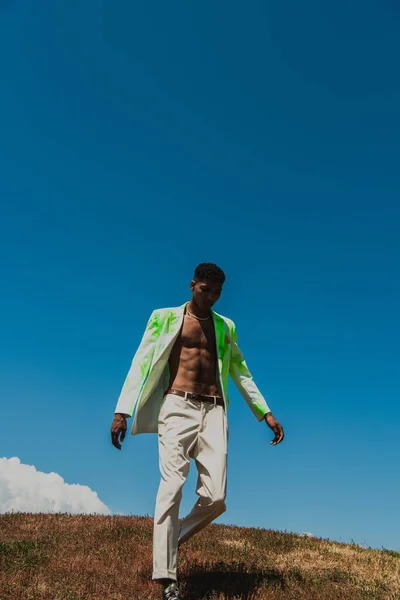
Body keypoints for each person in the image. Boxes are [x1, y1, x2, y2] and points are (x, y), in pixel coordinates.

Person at [110, 263, 284, 600]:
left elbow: (240, 371)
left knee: (216, 498)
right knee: (172, 485)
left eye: (217, 292)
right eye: (206, 290)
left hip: (216, 411)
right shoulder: (164, 317)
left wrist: (265, 413)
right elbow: (141, 362)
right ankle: (166, 576)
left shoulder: (225, 326)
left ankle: (170, 539)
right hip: (177, 406)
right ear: (192, 285)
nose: (212, 297)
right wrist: (122, 411)